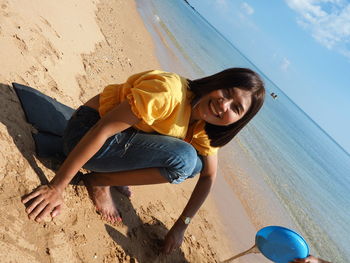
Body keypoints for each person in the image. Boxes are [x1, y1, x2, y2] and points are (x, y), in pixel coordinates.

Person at [22, 68, 265, 253]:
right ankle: (100, 180)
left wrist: (182, 225)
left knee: (196, 165)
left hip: (118, 140)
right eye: (226, 92)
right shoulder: (168, 92)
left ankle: (105, 175)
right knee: (185, 158)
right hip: (85, 131)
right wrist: (57, 186)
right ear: (217, 82)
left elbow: (209, 176)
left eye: (236, 108)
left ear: (238, 121)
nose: (223, 104)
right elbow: (104, 128)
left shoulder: (203, 125)